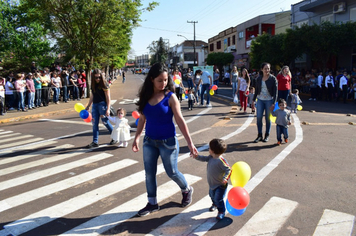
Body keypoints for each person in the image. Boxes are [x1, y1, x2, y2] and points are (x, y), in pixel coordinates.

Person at [132, 63, 198, 217]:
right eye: (160, 80)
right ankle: (152, 203)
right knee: (149, 174)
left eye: (166, 80)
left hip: (168, 142)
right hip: (149, 141)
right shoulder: (145, 97)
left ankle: (186, 189)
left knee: (172, 172)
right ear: (151, 79)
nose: (163, 84)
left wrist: (190, 142)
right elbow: (142, 119)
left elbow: (180, 120)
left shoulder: (170, 97)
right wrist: (136, 138)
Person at [191, 138, 231, 220]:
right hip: (212, 183)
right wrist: (196, 157)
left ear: (212, 150)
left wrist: (225, 178)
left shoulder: (221, 161)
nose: (208, 149)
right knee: (212, 195)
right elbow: (204, 158)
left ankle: (221, 211)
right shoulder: (211, 157)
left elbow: (229, 169)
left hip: (220, 185)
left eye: (209, 148)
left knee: (218, 198)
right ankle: (214, 204)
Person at [85, 69, 113, 148]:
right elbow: (92, 96)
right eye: (96, 77)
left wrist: (108, 109)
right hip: (95, 105)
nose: (98, 79)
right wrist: (88, 106)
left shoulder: (105, 85)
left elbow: (108, 98)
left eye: (99, 77)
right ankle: (95, 141)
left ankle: (115, 137)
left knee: (105, 122)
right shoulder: (93, 85)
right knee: (94, 124)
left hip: (102, 105)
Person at [253, 62, 278, 143]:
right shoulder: (258, 78)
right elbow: (256, 90)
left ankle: (267, 135)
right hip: (260, 100)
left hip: (269, 100)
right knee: (259, 118)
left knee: (268, 118)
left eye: (268, 68)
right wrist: (253, 100)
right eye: (265, 68)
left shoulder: (273, 79)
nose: (267, 70)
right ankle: (259, 135)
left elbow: (275, 92)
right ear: (262, 69)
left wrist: (274, 103)